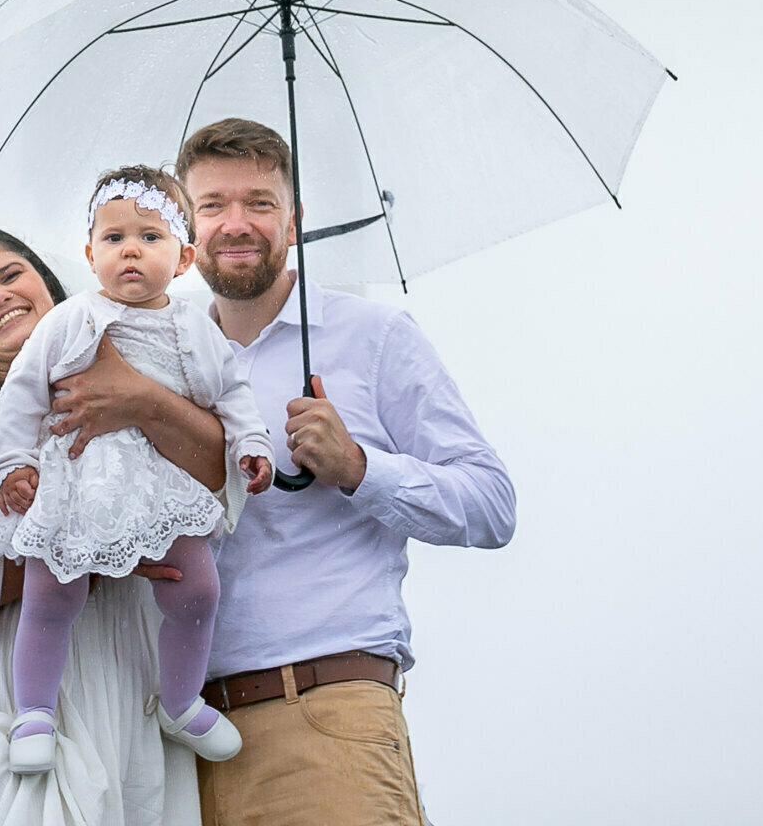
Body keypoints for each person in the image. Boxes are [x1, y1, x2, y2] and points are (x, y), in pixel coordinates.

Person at [175, 119, 518, 826]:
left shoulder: (374, 337)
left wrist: (361, 468)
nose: (235, 224)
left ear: (294, 220)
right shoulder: (165, 361)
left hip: (322, 721)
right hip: (174, 749)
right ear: (186, 227)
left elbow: (492, 504)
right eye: (212, 206)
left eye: (260, 203)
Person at [0, 227, 244, 826]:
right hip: (0, 712)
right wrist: (74, 552)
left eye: (10, 275)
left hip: (131, 705)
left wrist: (145, 403)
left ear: (54, 291)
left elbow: (224, 494)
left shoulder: (147, 385)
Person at [0, 167, 276, 773]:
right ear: (89, 253)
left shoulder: (195, 329)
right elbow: (23, 396)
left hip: (161, 483)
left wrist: (251, 446)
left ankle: (180, 702)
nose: (130, 250)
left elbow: (233, 394)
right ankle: (34, 712)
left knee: (198, 588)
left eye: (150, 238)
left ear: (183, 258)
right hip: (79, 478)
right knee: (52, 597)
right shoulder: (69, 319)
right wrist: (14, 465)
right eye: (114, 238)